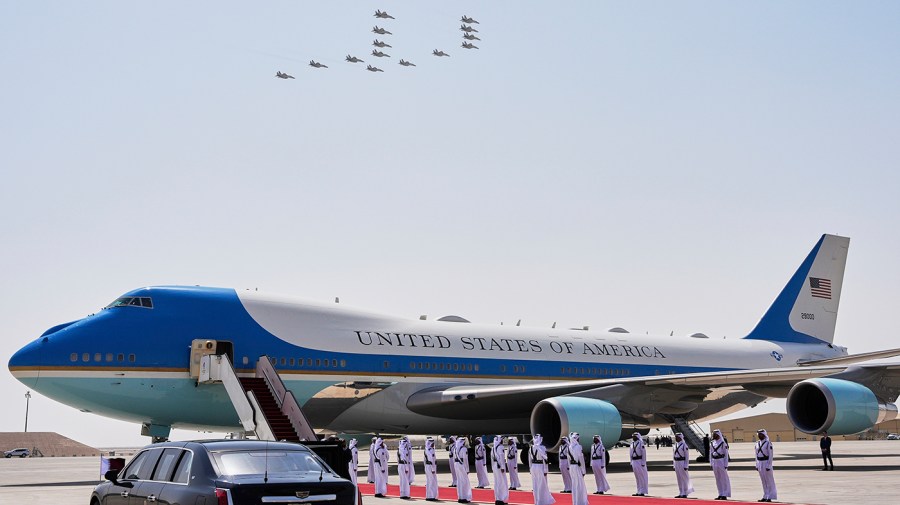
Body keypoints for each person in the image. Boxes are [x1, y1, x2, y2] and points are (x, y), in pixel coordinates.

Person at [529, 434, 555, 505]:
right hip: (540, 466)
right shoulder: (542, 448)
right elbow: (545, 460)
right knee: (542, 485)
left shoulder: (531, 448)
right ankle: (542, 501)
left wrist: (530, 468)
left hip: (533, 467)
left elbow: (530, 460)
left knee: (535, 485)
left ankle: (536, 501)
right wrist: (545, 469)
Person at [566, 433, 589, 505]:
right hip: (577, 467)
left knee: (574, 484)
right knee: (580, 485)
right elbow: (581, 459)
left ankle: (575, 501)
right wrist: (583, 470)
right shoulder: (578, 447)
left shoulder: (569, 447)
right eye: (578, 438)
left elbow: (568, 459)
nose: (579, 440)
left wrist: (570, 468)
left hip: (572, 467)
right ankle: (581, 501)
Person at [755, 429, 777, 502]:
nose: (759, 436)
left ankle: (770, 496)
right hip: (760, 463)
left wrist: (769, 465)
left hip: (766, 462)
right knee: (763, 481)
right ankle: (765, 496)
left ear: (764, 435)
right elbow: (756, 455)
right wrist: (757, 464)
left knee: (769, 481)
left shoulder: (768, 443)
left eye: (761, 434)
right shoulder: (757, 443)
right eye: (758, 434)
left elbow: (771, 455)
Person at [709, 429, 731, 500]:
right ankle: (720, 493)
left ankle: (724, 494)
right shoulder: (712, 443)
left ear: (718, 435)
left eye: (715, 434)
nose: (714, 435)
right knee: (717, 478)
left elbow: (726, 454)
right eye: (713, 434)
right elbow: (710, 453)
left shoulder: (723, 443)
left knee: (723, 478)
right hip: (714, 461)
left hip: (721, 461)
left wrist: (726, 464)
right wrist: (711, 463)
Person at [672, 433, 694, 499]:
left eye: (677, 437)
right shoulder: (675, 445)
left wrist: (686, 465)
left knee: (684, 478)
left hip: (682, 462)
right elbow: (673, 455)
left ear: (680, 437)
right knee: (679, 478)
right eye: (675, 437)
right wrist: (674, 464)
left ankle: (685, 492)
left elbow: (687, 456)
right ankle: (681, 492)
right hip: (676, 462)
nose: (676, 438)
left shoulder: (684, 445)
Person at [491, 435, 510, 505]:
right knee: (502, 483)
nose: (502, 440)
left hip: (495, 466)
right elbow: (502, 457)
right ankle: (502, 499)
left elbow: (492, 458)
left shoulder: (493, 448)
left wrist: (493, 467)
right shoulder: (500, 447)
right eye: (501, 439)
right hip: (499, 467)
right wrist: (503, 467)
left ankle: (497, 498)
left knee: (497, 483)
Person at [455, 436, 473, 503]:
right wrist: (467, 469)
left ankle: (460, 497)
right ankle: (464, 497)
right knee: (465, 482)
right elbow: (465, 460)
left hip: (456, 465)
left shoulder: (455, 448)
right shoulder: (464, 449)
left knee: (459, 481)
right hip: (462, 465)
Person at [630, 432, 649, 496]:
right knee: (637, 477)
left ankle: (642, 491)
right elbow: (630, 453)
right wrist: (631, 461)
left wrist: (643, 462)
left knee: (641, 477)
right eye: (633, 436)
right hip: (634, 461)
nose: (633, 438)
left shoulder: (641, 444)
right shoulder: (632, 444)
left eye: (634, 437)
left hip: (639, 461)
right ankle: (638, 491)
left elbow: (644, 453)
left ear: (637, 437)